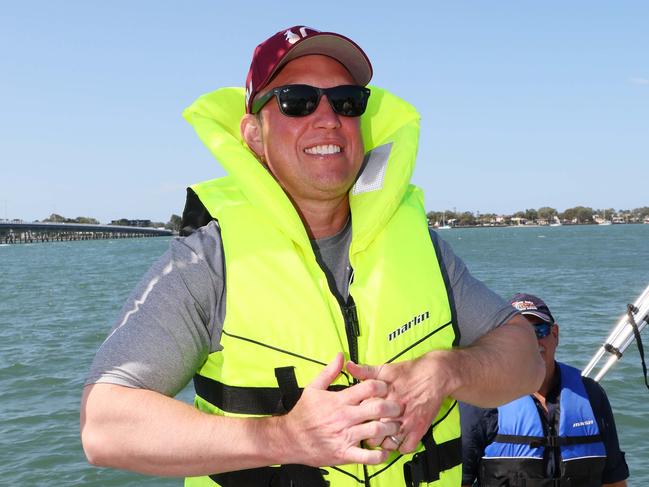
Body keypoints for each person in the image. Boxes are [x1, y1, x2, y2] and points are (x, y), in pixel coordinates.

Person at [81, 26, 544, 486]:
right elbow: (105, 426)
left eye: (346, 102)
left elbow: (527, 361)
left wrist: (447, 370)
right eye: (296, 101)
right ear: (254, 136)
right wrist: (282, 437)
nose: (328, 118)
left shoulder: (422, 248)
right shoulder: (208, 262)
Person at [460, 293, 629, 487]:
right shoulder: (480, 402)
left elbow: (614, 482)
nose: (531, 342)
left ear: (555, 335)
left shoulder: (591, 395)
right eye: (518, 335)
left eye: (539, 331)